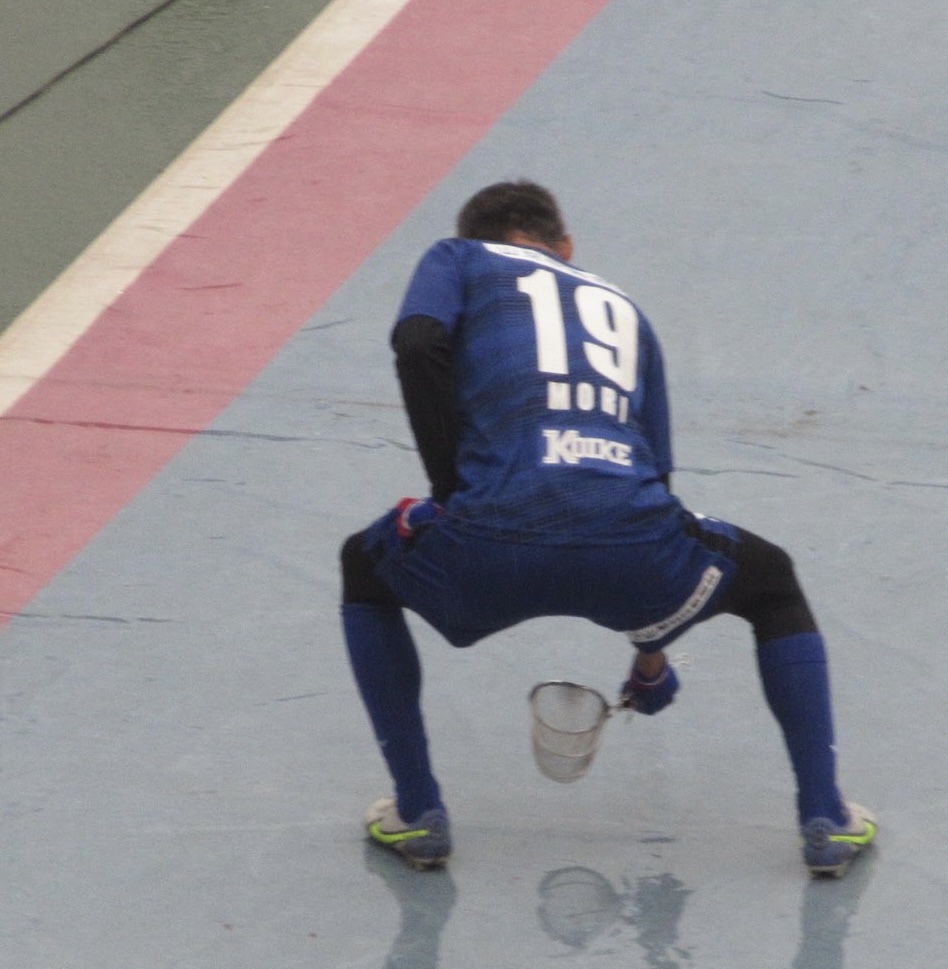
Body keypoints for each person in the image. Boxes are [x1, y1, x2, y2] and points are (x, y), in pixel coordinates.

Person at [340, 181, 876, 877]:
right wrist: (650, 656)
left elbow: (417, 342)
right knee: (771, 582)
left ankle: (418, 814)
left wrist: (452, 494)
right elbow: (656, 493)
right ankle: (826, 820)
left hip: (485, 548)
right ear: (566, 246)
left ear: (475, 237)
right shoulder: (626, 311)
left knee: (364, 568)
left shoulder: (458, 258)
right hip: (636, 554)